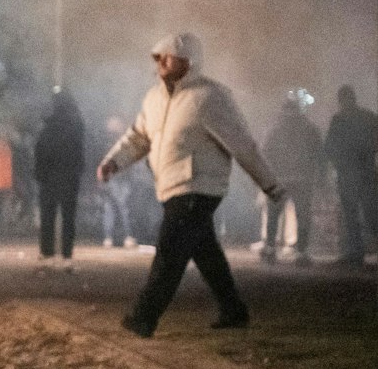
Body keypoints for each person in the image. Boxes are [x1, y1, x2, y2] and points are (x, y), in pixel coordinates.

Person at [96, 33, 282, 337]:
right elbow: (138, 137)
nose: (159, 62)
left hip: (199, 187)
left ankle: (143, 317)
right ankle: (233, 310)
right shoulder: (154, 99)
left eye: (166, 56)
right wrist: (113, 162)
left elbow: (242, 144)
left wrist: (270, 184)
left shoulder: (210, 97)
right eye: (157, 57)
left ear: (188, 61)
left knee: (169, 253)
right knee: (206, 253)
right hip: (171, 187)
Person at [260, 96, 324, 263]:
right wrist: (321, 177)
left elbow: (264, 152)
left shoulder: (274, 129)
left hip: (279, 178)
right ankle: (301, 252)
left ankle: (270, 249)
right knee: (302, 215)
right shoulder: (310, 129)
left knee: (274, 214)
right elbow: (319, 154)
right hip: (303, 179)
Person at [324, 85, 378, 264]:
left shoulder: (338, 120)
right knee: (371, 212)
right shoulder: (368, 117)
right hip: (367, 172)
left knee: (351, 214)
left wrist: (336, 163)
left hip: (348, 173)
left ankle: (356, 251)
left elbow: (330, 147)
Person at [33, 90, 85, 269]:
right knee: (68, 217)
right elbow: (80, 152)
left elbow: (40, 150)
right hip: (69, 178)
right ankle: (67, 256)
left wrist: (39, 174)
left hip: (49, 177)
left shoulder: (48, 125)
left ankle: (47, 253)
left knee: (48, 216)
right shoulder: (76, 125)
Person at [98, 115, 138, 247]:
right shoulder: (120, 142)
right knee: (124, 209)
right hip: (120, 180)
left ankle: (108, 238)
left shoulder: (105, 143)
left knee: (109, 209)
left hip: (111, 179)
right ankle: (128, 236)